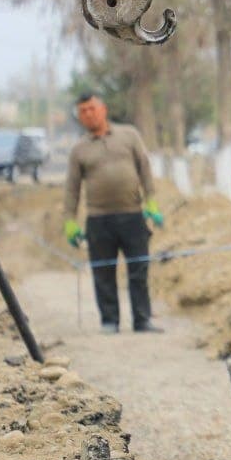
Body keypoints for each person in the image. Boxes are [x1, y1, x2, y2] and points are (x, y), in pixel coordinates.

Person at [63, 92, 165, 334]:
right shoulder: (79, 150)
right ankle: (109, 321)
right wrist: (69, 221)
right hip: (98, 221)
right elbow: (72, 188)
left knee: (138, 270)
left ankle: (142, 320)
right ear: (79, 117)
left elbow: (145, 169)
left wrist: (151, 203)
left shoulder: (129, 135)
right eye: (82, 111)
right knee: (103, 272)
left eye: (92, 108)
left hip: (132, 216)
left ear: (103, 109)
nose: (88, 114)